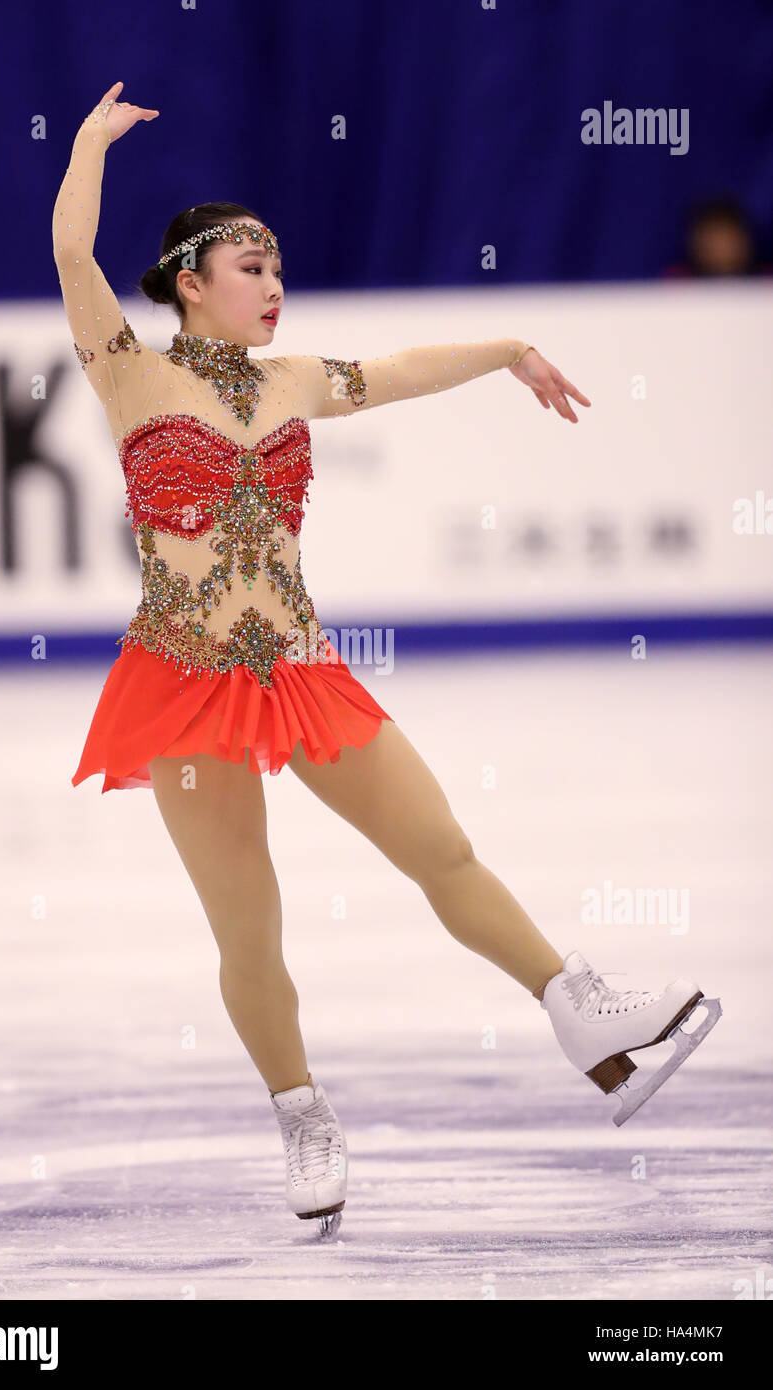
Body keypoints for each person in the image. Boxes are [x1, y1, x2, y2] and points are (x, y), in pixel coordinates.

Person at [52, 83, 722, 1238]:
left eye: (277, 267)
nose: (272, 285)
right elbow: (71, 246)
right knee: (249, 928)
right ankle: (301, 1110)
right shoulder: (129, 374)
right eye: (250, 268)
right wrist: (86, 146)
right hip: (185, 683)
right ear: (188, 284)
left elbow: (403, 368)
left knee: (441, 848)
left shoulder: (293, 379)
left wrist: (508, 348)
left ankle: (580, 1009)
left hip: (302, 668)